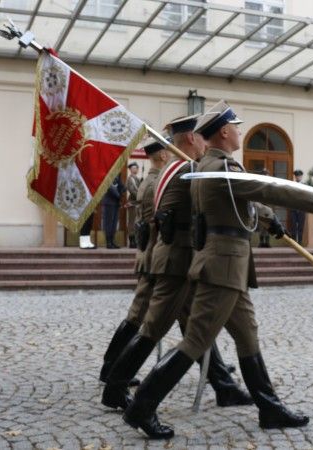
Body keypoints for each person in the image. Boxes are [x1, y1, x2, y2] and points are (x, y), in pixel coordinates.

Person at [121, 101, 313, 439]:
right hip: (223, 265)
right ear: (225, 132)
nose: (241, 133)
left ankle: (269, 407)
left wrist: (270, 221)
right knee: (196, 340)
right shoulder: (219, 168)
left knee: (247, 335)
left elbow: (247, 205)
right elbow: (266, 188)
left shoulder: (210, 166)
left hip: (230, 265)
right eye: (238, 128)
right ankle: (142, 406)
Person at [102, 114, 250, 413]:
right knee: (156, 329)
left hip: (177, 259)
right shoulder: (186, 171)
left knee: (193, 327)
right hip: (178, 261)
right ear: (193, 139)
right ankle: (117, 388)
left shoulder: (175, 169)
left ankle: (222, 385)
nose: (204, 142)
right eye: (200, 137)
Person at [99, 137, 169, 385]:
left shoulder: (151, 180)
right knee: (137, 316)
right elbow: (154, 224)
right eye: (168, 151)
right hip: (152, 256)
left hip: (151, 254)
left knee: (185, 315)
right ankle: (111, 369)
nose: (171, 154)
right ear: (161, 155)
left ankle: (217, 372)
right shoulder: (156, 182)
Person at [101, 176, 125, 249]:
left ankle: (112, 241)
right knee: (108, 223)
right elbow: (110, 187)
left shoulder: (117, 175)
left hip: (116, 203)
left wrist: (121, 189)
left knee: (114, 224)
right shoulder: (107, 174)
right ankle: (108, 242)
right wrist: (119, 195)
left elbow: (123, 187)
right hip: (109, 203)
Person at [125, 162, 141, 248]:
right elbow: (132, 190)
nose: (135, 169)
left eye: (136, 168)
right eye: (133, 168)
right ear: (130, 169)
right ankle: (132, 242)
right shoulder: (130, 179)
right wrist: (140, 196)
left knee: (136, 221)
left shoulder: (136, 178)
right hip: (133, 203)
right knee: (132, 222)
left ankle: (135, 240)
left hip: (137, 203)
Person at [290, 169, 307, 245]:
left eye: (299, 176)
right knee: (293, 225)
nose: (298, 177)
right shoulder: (292, 185)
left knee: (301, 225)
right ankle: (294, 242)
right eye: (297, 176)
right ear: (295, 177)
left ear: (301, 177)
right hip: (293, 207)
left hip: (302, 208)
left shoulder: (304, 185)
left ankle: (299, 241)